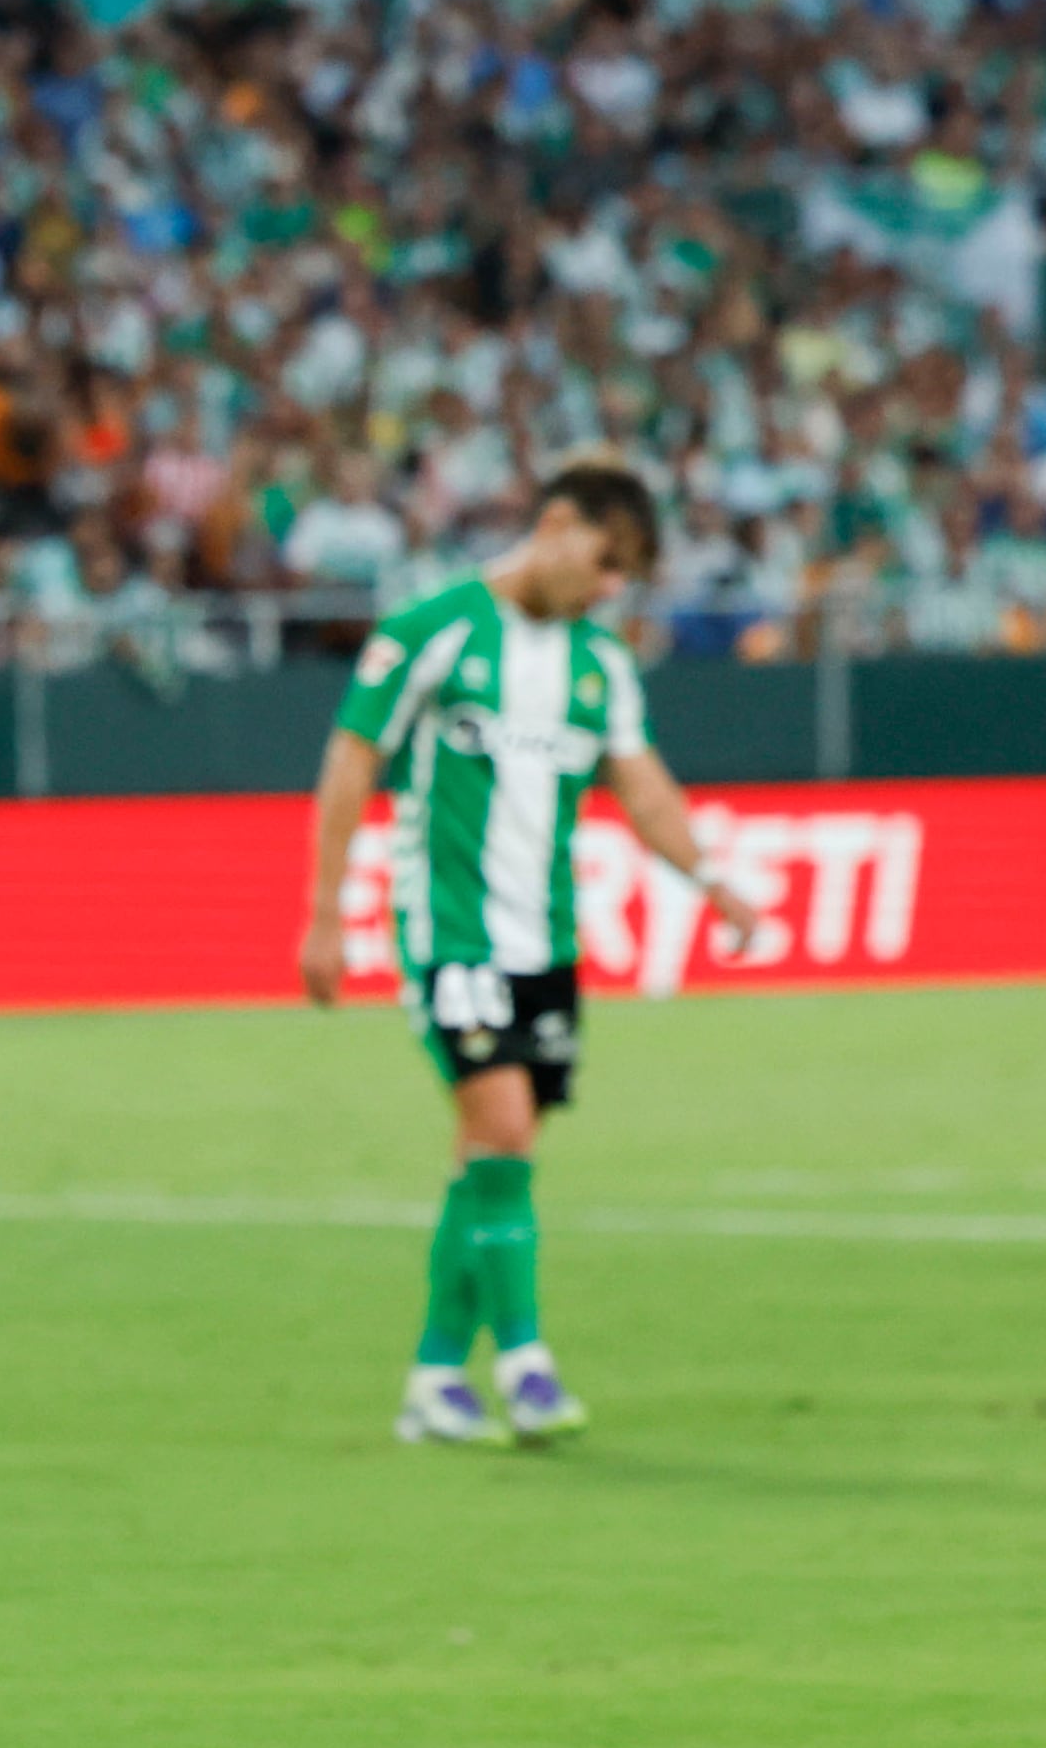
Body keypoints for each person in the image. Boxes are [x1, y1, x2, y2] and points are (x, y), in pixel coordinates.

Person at [299, 464, 763, 1447]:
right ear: (554, 526)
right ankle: (525, 1364)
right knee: (501, 1131)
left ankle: (432, 1377)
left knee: (491, 1160)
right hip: (449, 928)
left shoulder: (599, 666)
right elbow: (351, 756)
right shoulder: (432, 630)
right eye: (604, 565)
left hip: (544, 939)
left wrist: (712, 880)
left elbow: (641, 790)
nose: (607, 592)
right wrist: (324, 913)